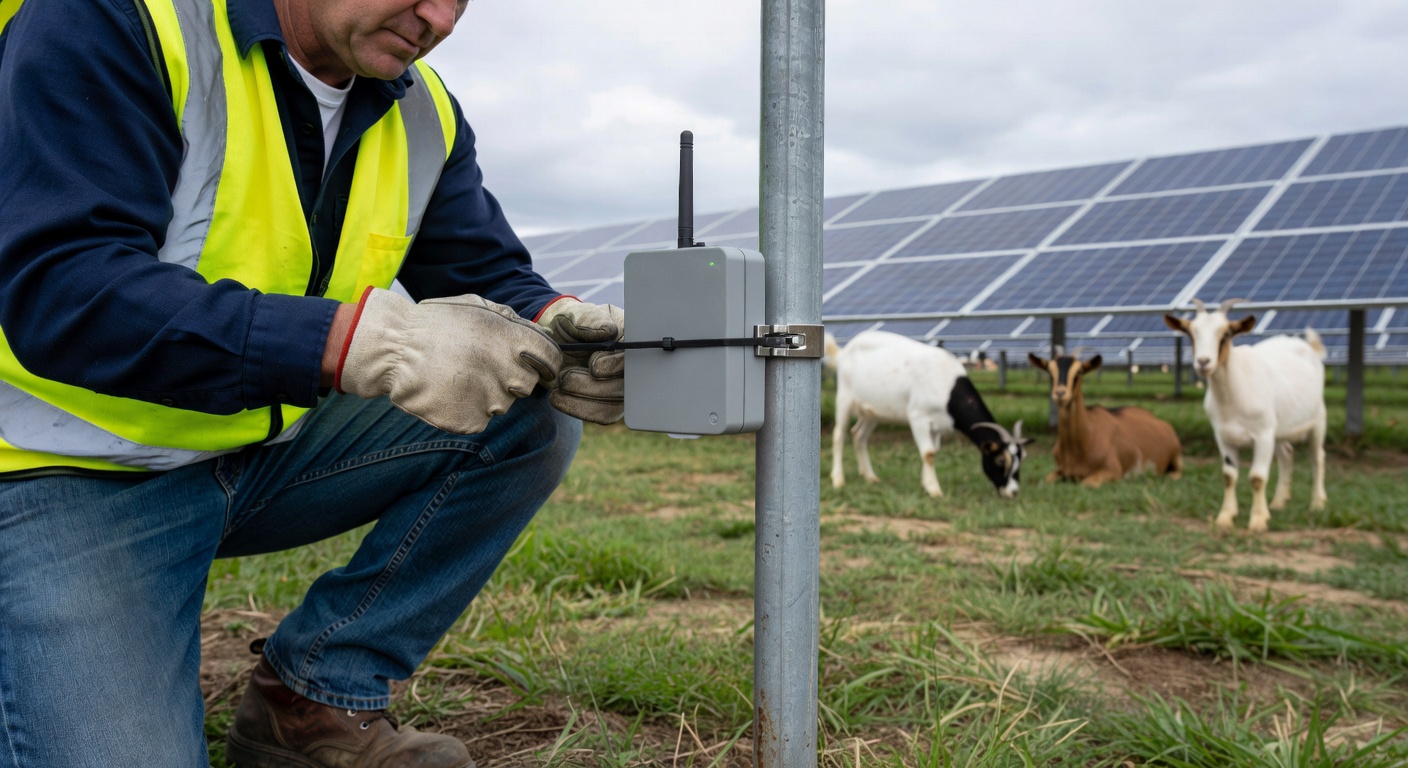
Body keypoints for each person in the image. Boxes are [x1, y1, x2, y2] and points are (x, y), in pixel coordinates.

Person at [0, 0, 626, 763]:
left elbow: (485, 270)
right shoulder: (113, 22)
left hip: (258, 451)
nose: (440, 18)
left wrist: (556, 325)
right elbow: (65, 287)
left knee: (527, 408)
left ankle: (312, 701)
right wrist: (350, 341)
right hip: (69, 472)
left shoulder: (421, 111)